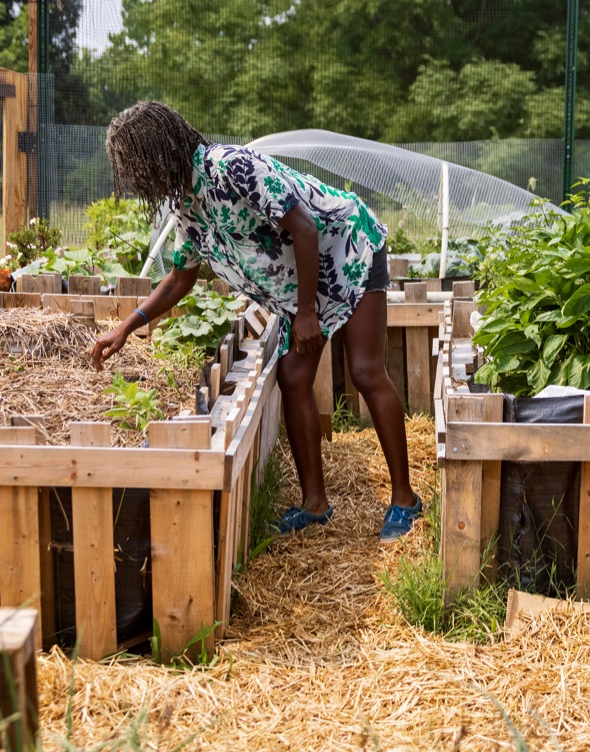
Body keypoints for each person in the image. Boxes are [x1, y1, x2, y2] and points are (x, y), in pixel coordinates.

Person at [90, 102, 421, 541]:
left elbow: (304, 228)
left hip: (346, 245)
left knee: (364, 371)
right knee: (293, 376)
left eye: (134, 166)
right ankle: (315, 505)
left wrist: (305, 314)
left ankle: (404, 500)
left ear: (156, 152)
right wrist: (127, 326)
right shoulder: (185, 206)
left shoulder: (232, 168)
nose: (134, 180)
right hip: (300, 279)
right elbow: (179, 279)